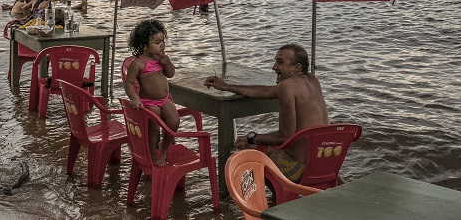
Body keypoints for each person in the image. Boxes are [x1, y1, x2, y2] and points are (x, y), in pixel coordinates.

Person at [204, 44, 329, 183]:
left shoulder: (286, 86)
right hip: (325, 166)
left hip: (299, 171)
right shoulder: (313, 80)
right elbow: (265, 91)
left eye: (280, 62)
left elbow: (284, 136)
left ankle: (272, 200)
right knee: (265, 142)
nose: (274, 67)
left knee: (247, 148)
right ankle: (281, 195)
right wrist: (226, 86)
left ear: (297, 67)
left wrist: (252, 137)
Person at [123, 19, 179, 166]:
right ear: (144, 46)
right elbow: (128, 83)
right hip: (149, 103)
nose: (162, 45)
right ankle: (153, 154)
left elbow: (171, 74)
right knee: (154, 129)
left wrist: (167, 64)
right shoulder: (139, 63)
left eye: (162, 41)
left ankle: (164, 147)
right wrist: (134, 98)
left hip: (164, 99)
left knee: (174, 122)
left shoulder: (160, 59)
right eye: (157, 42)